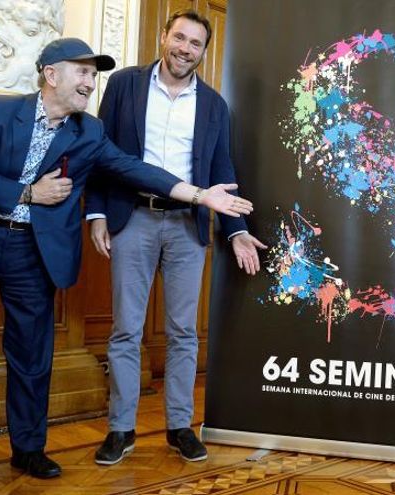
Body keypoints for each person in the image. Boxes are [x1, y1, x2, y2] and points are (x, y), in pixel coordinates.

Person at [0, 38, 254, 495]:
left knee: (32, 357)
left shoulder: (88, 133)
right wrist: (27, 194)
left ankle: (28, 449)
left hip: (31, 253)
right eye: (81, 72)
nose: (89, 82)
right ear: (51, 74)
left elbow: (136, 170)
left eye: (93, 74)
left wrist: (200, 195)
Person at [85, 9, 265, 466]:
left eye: (195, 44)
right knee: (126, 330)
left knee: (184, 333)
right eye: (179, 37)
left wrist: (237, 230)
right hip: (133, 218)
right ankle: (120, 430)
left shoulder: (213, 105)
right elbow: (102, 155)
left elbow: (222, 171)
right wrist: (98, 212)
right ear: (164, 36)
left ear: (204, 52)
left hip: (188, 225)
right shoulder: (124, 85)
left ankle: (179, 426)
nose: (184, 48)